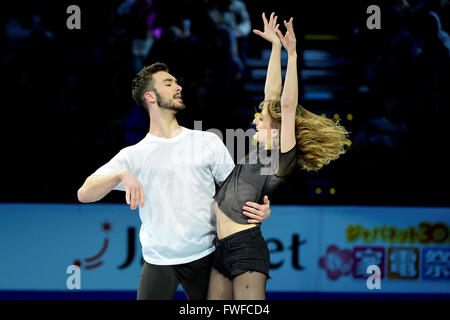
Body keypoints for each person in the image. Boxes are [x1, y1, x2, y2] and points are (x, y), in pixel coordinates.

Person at [77, 62, 271, 300]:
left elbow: (234, 194)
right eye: (168, 83)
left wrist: (259, 209)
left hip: (207, 255)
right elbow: (84, 194)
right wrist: (120, 175)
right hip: (158, 261)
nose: (178, 86)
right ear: (150, 96)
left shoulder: (207, 142)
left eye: (176, 82)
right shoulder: (133, 155)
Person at [207, 13, 349, 300]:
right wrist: (274, 47)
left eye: (261, 120)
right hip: (220, 248)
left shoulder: (283, 157)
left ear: (279, 128)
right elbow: (271, 95)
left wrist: (293, 55)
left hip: (245, 249)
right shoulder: (261, 149)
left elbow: (285, 105)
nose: (256, 121)